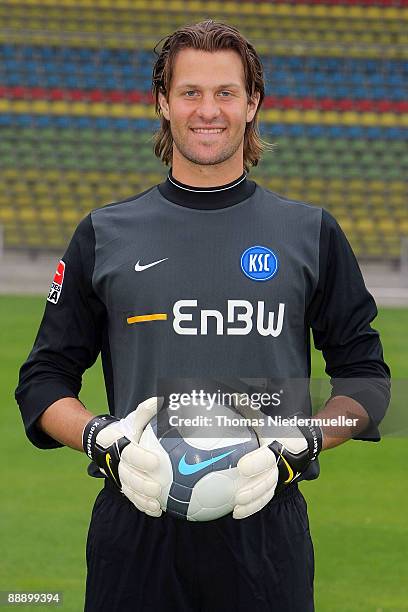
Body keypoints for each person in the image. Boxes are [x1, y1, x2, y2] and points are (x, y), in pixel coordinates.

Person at [16, 20, 390, 612]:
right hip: (137, 522)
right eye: (190, 92)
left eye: (225, 92)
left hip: (264, 525)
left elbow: (368, 381)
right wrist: (99, 439)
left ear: (253, 102)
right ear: (163, 103)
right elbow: (41, 384)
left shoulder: (310, 232)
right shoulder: (104, 233)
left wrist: (305, 443)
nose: (207, 110)